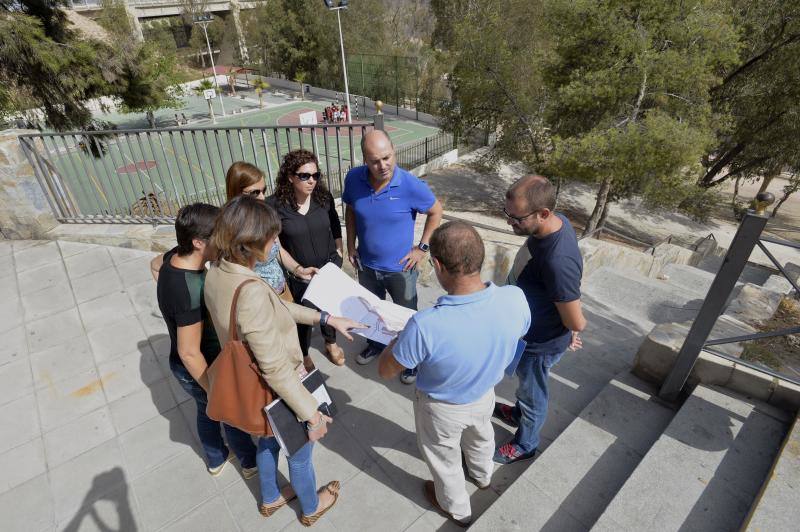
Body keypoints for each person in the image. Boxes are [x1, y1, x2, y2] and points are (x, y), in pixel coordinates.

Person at [204, 195, 363, 524]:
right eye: (271, 237)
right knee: (300, 451)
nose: (276, 241)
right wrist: (312, 416)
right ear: (249, 243)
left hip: (251, 385)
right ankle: (310, 507)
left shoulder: (219, 270)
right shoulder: (249, 288)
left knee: (266, 440)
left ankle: (271, 497)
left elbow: (273, 309)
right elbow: (275, 368)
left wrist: (325, 319)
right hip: (275, 386)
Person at [377, 221, 531, 526]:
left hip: (442, 409)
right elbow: (517, 335)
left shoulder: (426, 325)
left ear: (437, 264)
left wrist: (396, 341)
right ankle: (483, 475)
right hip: (486, 393)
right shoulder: (515, 298)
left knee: (444, 460)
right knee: (481, 436)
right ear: (481, 258)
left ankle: (456, 508)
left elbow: (385, 370)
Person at [155, 203, 258, 479]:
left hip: (188, 363)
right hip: (200, 364)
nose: (225, 241)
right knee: (228, 410)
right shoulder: (188, 290)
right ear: (198, 242)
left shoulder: (173, 258)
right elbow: (189, 352)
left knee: (205, 408)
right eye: (219, 236)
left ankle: (215, 456)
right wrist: (214, 387)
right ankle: (249, 462)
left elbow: (153, 264)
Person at [493, 175, 587, 464]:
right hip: (530, 330)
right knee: (525, 387)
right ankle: (518, 413)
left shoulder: (558, 260)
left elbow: (577, 322)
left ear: (544, 213)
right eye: (507, 213)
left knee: (533, 394)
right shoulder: (554, 223)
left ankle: (526, 443)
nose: (509, 221)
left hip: (539, 343)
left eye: (516, 217)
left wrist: (569, 327)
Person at [342, 129, 443, 384]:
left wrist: (422, 248)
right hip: (367, 265)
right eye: (375, 160)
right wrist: (351, 245)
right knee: (373, 311)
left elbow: (435, 211)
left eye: (387, 158)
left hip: (401, 269)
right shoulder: (354, 179)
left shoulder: (410, 185)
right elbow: (351, 211)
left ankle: (410, 361)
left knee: (406, 317)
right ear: (365, 159)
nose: (382, 165)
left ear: (393, 152)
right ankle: (376, 345)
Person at [149, 162, 318, 299]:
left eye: (264, 190)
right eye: (254, 193)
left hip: (282, 292)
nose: (262, 197)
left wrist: (298, 270)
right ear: (236, 192)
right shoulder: (223, 227)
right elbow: (159, 264)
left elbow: (278, 250)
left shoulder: (265, 215)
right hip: (255, 302)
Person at [267, 149, 346, 369]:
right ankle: (304, 353)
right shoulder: (275, 205)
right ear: (290, 177)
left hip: (329, 267)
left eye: (315, 175)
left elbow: (334, 226)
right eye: (304, 175)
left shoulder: (323, 197)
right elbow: (276, 245)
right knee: (303, 317)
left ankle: (330, 343)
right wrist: (297, 268)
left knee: (330, 308)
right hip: (299, 274)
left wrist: (339, 251)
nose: (311, 180)